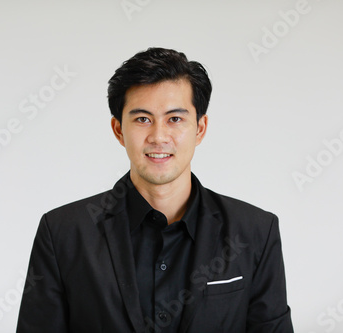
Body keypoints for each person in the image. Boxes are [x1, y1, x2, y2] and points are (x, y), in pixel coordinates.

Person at [16, 47, 293, 333]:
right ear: (118, 130)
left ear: (200, 129)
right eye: (142, 119)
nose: (159, 136)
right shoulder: (63, 232)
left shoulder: (255, 231)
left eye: (175, 119)